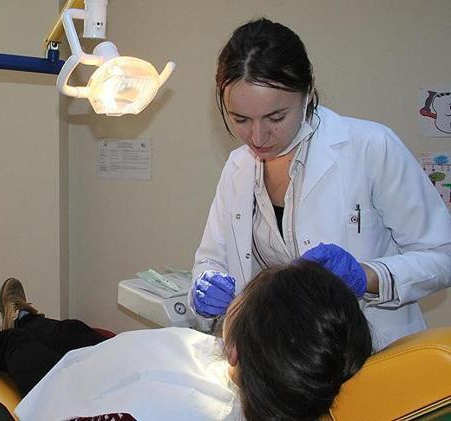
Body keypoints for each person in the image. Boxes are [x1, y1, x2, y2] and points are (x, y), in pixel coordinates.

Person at [189, 18, 451, 350]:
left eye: (276, 117)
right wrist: (206, 287)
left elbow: (443, 256)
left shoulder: (371, 147)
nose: (257, 137)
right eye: (240, 119)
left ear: (309, 91)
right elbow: (213, 259)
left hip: (375, 351)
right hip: (279, 358)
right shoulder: (237, 168)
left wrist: (367, 275)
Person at [0, 261, 372, 421]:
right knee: (74, 332)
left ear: (236, 350)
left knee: (17, 350)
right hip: (114, 363)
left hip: (88, 389)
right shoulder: (278, 383)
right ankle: (24, 318)